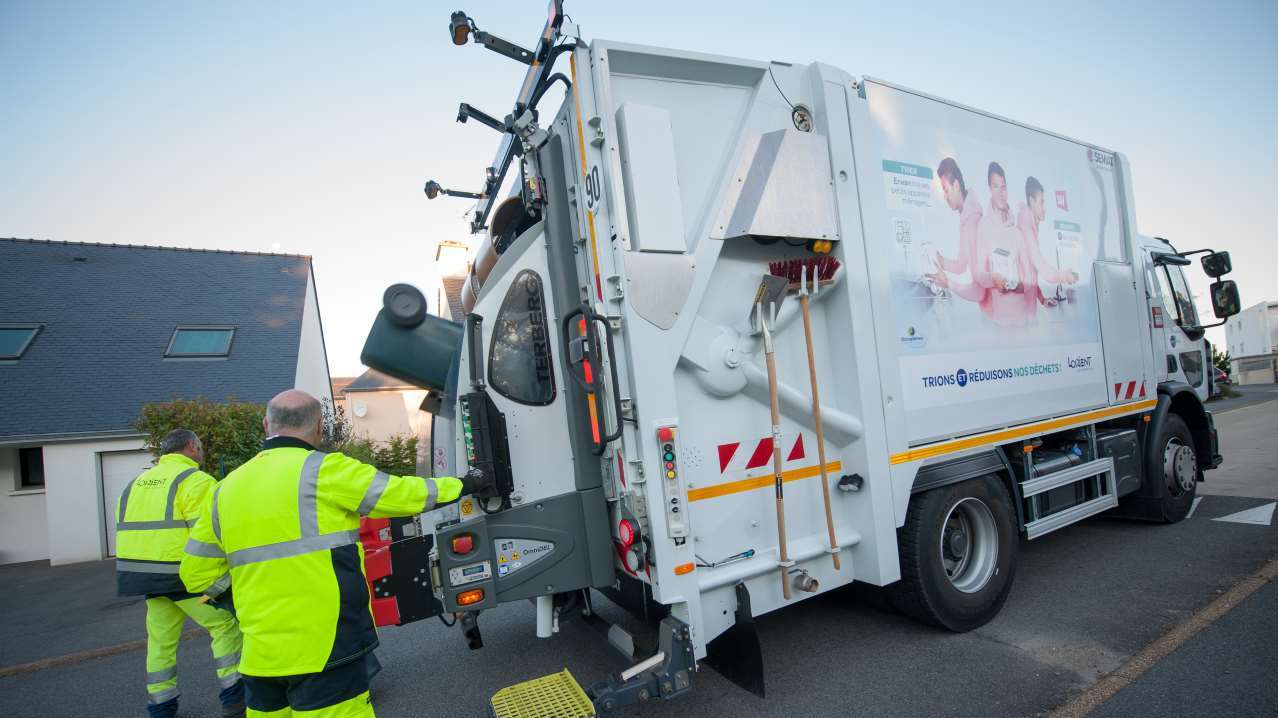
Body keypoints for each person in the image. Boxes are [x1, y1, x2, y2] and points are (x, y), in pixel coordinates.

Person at [180, 389, 489, 717]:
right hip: (327, 647)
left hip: (261, 657)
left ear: (265, 424)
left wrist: (234, 603)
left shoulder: (225, 489)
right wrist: (466, 484)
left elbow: (194, 572)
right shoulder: (325, 470)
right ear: (318, 428)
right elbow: (401, 495)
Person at [116, 428, 245, 718]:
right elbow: (212, 534)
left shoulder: (135, 483)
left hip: (144, 578)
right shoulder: (195, 481)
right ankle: (235, 697)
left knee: (161, 641)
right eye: (200, 447)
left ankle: (161, 707)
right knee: (224, 625)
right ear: (191, 447)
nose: (202, 452)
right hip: (185, 579)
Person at [1016, 176, 1078, 313]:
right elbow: (1044, 270)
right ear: (1032, 201)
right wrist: (1064, 276)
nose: (1045, 209)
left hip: (1027, 310)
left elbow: (1028, 276)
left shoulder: (1028, 226)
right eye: (1042, 202)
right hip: (1022, 314)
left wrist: (1042, 299)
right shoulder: (1026, 229)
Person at [928, 157, 986, 302]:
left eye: (946, 190)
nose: (944, 197)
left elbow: (979, 292)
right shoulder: (966, 216)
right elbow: (961, 265)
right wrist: (940, 262)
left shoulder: (972, 221)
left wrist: (948, 283)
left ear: (957, 185)